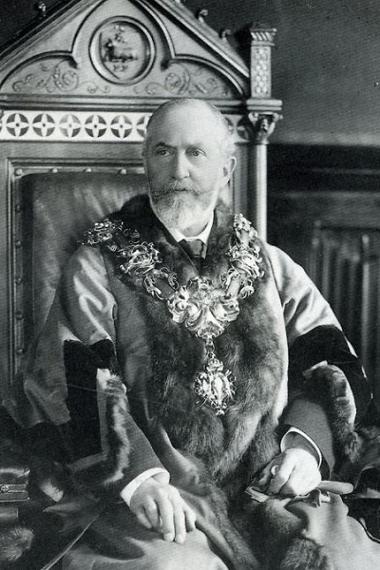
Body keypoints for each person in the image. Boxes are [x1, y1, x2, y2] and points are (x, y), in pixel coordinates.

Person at [16, 98, 380, 569]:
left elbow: (332, 366)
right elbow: (71, 381)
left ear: (227, 169)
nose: (178, 168)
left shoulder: (272, 267)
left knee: (350, 559)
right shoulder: (97, 266)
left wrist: (304, 449)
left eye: (196, 153)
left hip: (265, 485)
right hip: (160, 490)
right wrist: (138, 479)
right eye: (164, 151)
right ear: (145, 160)